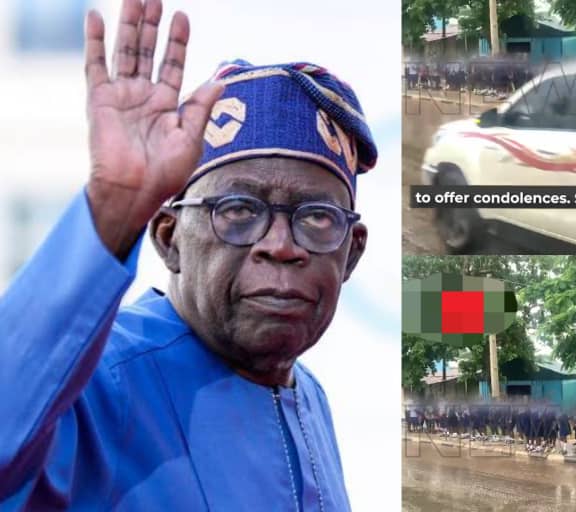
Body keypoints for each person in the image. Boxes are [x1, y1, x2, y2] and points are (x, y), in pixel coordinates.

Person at [0, 0, 379, 509]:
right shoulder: (101, 380)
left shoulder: (308, 396)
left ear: (351, 254)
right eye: (238, 210)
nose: (281, 245)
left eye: (316, 217)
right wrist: (112, 208)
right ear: (168, 237)